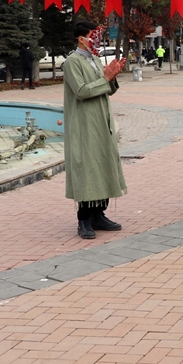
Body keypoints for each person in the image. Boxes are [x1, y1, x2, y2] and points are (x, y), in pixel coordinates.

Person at [63, 21, 127, 240]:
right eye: (93, 35)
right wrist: (105, 78)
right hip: (84, 124)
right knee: (87, 169)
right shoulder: (72, 62)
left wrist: (113, 77)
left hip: (101, 121)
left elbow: (105, 89)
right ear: (82, 38)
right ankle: (84, 219)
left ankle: (99, 214)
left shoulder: (96, 60)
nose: (97, 40)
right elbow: (81, 91)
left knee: (102, 165)